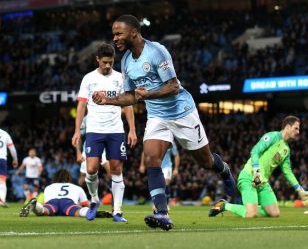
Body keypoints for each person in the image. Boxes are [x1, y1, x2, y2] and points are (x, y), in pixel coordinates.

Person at [92, 14, 235, 231]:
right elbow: (132, 96)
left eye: (119, 34)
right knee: (151, 158)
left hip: (182, 112)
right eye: (114, 35)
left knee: (206, 162)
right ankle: (162, 213)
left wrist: (146, 95)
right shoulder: (126, 62)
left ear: (133, 32)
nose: (115, 39)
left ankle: (225, 171)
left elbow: (173, 86)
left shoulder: (156, 51)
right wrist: (107, 100)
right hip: (157, 117)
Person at [72, 43, 137, 223]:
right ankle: (94, 200)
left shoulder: (120, 78)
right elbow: (81, 106)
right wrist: (77, 131)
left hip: (116, 130)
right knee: (91, 168)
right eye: (105, 62)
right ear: (98, 60)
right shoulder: (88, 79)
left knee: (116, 169)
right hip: (94, 130)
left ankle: (117, 211)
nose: (108, 65)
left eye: (111, 62)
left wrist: (132, 129)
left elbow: (127, 104)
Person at [209, 116, 308, 218]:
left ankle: (252, 207)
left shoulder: (286, 150)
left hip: (262, 182)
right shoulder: (273, 137)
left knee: (274, 213)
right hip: (249, 177)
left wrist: (299, 189)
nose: (298, 132)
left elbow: (288, 172)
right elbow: (255, 151)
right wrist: (256, 172)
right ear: (287, 127)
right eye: (296, 128)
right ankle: (225, 205)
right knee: (251, 215)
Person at [19, 168, 93, 219]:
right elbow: (85, 204)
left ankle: (36, 206)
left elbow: (46, 202)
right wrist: (80, 206)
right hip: (68, 203)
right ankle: (91, 213)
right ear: (69, 178)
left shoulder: (49, 187)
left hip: (52, 202)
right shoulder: (76, 187)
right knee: (78, 211)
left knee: (44, 210)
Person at [139, 143, 180, 210]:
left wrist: (176, 168)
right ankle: (156, 203)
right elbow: (144, 152)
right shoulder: (154, 139)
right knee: (156, 184)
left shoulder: (170, 141)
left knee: (166, 183)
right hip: (155, 166)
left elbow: (176, 155)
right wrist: (142, 165)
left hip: (167, 166)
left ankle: (165, 204)